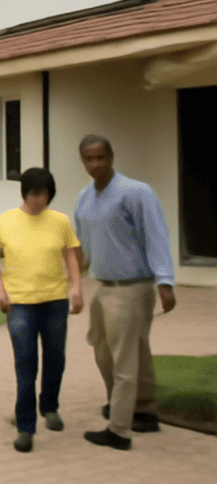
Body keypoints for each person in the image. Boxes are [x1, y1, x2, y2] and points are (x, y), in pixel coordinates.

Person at [75, 135, 175, 451]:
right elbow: (83, 246)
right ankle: (143, 412)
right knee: (106, 350)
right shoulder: (84, 198)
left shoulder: (136, 192)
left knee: (124, 359)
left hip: (133, 288)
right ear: (83, 161)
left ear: (112, 156)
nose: (95, 164)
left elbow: (156, 235)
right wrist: (73, 282)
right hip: (104, 288)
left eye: (101, 157)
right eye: (89, 159)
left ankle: (119, 429)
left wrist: (166, 282)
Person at [0, 167, 84, 453]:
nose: (39, 200)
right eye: (34, 194)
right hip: (19, 304)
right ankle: (25, 427)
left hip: (55, 300)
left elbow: (70, 252)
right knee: (26, 365)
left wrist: (76, 286)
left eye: (44, 194)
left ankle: (50, 406)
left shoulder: (60, 221)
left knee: (55, 358)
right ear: (24, 193)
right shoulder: (4, 222)